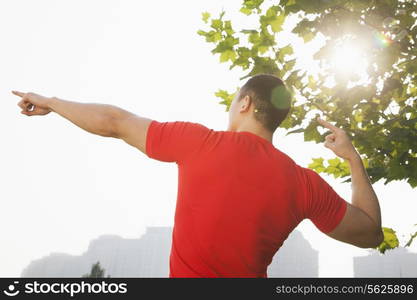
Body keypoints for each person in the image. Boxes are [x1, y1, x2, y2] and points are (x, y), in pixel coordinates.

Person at [12, 74, 383, 278]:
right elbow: (369, 234)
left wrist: (53, 103)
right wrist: (352, 158)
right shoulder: (304, 183)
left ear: (246, 103)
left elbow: (114, 122)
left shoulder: (200, 143)